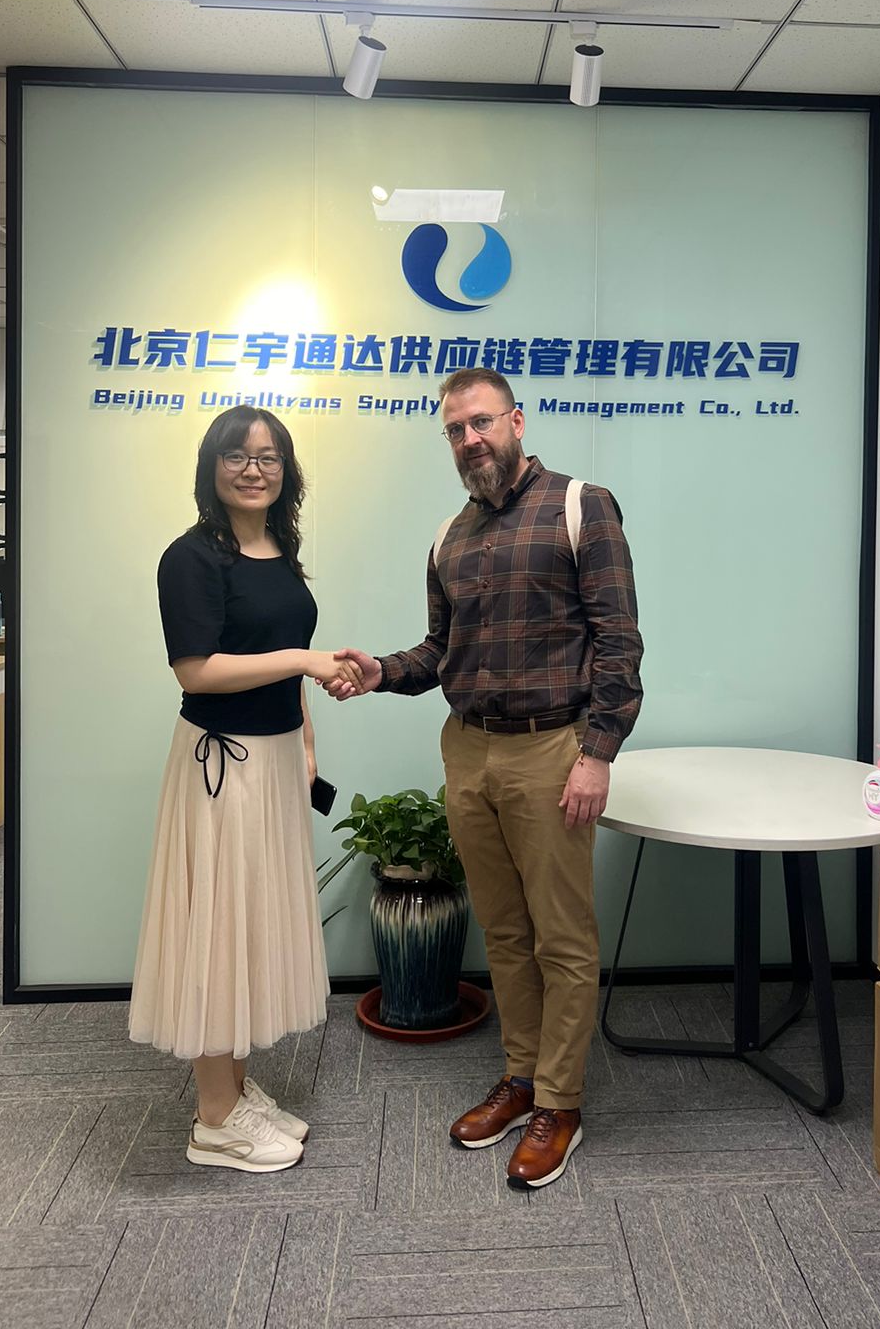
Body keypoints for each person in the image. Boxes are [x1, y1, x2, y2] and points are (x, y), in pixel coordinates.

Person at [328, 367, 643, 1189]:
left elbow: (619, 641)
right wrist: (380, 672)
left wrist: (598, 753)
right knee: (503, 932)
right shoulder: (449, 538)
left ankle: (561, 1105)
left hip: (552, 751)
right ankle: (522, 1076)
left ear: (516, 422)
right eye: (455, 431)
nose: (469, 440)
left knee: (562, 938)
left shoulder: (582, 507)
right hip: (468, 752)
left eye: (481, 423)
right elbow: (442, 652)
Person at [128, 405, 361, 1173]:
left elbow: (283, 658)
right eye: (237, 455)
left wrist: (307, 745)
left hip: (275, 761)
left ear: (287, 471)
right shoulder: (191, 558)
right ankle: (215, 1120)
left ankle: (231, 1088)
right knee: (216, 929)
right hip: (221, 769)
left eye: (268, 457)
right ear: (212, 466)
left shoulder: (279, 550)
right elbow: (197, 670)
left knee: (247, 926)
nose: (254, 469)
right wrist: (305, 661)